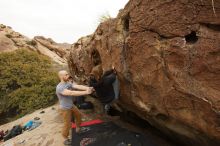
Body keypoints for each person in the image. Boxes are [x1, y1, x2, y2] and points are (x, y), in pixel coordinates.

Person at [56, 70, 93, 145]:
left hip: (71, 105)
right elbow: (71, 93)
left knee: (79, 115)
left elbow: (77, 86)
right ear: (62, 77)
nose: (68, 75)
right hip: (65, 108)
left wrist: (88, 88)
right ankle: (65, 138)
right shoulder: (59, 87)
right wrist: (86, 92)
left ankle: (78, 129)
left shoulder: (67, 83)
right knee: (67, 124)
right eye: (66, 75)